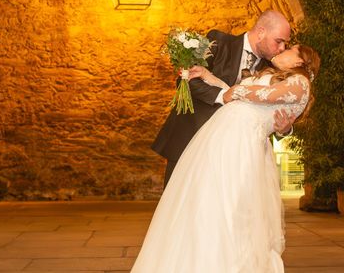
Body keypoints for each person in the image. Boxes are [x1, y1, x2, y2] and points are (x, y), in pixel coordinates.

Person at [132, 44, 321, 273]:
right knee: (207, 200)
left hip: (241, 142)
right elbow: (235, 94)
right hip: (224, 137)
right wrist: (207, 76)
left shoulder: (301, 83)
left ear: (300, 62)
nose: (283, 49)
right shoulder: (273, 74)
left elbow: (262, 96)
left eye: (290, 49)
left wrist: (236, 93)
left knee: (232, 204)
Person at [151, 10, 295, 185]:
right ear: (262, 32)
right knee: (177, 207)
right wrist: (222, 96)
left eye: (285, 44)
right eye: (279, 41)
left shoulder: (272, 69)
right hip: (192, 138)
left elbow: (271, 110)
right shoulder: (218, 41)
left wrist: (284, 129)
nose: (281, 49)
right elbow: (187, 81)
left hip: (232, 155)